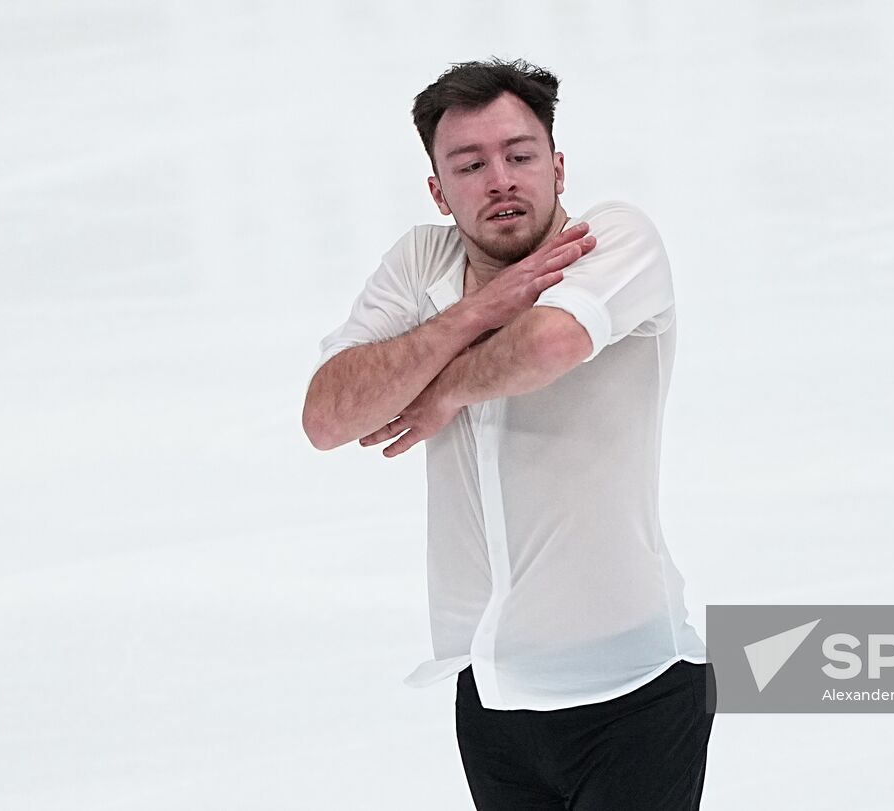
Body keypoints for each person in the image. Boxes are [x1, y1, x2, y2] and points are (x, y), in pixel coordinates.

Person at [301, 58, 715, 810]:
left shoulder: (614, 240)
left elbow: (550, 344)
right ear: (438, 188)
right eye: (470, 164)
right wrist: (470, 314)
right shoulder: (421, 263)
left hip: (632, 693)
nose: (500, 179)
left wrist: (444, 387)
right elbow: (329, 415)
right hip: (491, 696)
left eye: (520, 156)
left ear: (557, 165)